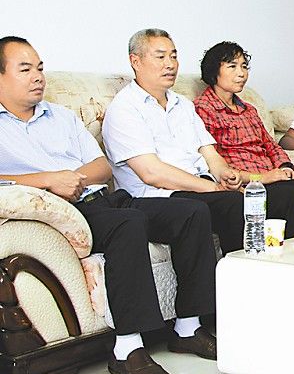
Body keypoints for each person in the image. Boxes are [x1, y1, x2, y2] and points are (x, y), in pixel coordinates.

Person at [0, 36, 217, 374]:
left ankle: (188, 328)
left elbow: (101, 167)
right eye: (25, 69)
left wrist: (74, 178)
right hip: (65, 212)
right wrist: (48, 181)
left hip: (102, 199)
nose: (38, 76)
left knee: (191, 213)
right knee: (128, 224)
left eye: (40, 68)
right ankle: (127, 349)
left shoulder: (60, 116)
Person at [102, 29, 251, 255]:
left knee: (257, 199)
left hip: (198, 188)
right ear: (136, 61)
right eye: (160, 57)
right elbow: (151, 173)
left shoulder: (183, 105)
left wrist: (225, 175)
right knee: (224, 204)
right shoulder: (124, 108)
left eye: (173, 56)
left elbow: (209, 153)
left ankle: (253, 271)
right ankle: (222, 277)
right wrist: (211, 188)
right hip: (157, 196)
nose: (170, 64)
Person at [194, 41, 294, 237]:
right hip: (248, 185)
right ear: (213, 71)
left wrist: (285, 166)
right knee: (291, 196)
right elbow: (213, 160)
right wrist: (262, 178)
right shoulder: (203, 108)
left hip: (273, 178)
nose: (241, 73)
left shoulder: (249, 110)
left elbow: (270, 145)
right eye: (232, 66)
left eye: (244, 66)